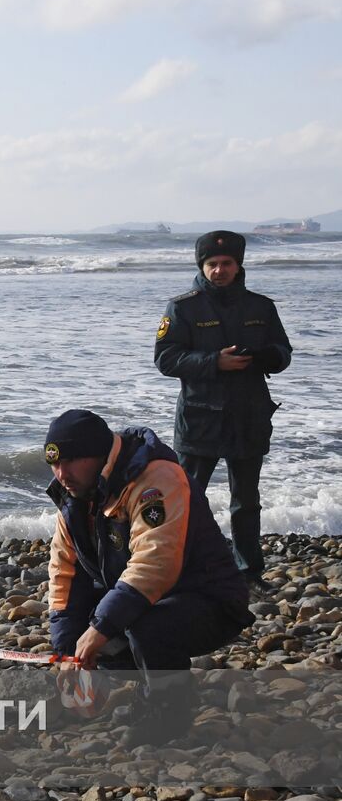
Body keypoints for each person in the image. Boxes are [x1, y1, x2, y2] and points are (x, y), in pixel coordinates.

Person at [42, 409, 254, 739]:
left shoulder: (155, 478)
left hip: (209, 600)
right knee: (93, 631)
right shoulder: (75, 495)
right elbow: (64, 573)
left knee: (141, 627)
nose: (61, 473)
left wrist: (100, 628)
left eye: (70, 461)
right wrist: (69, 650)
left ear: (99, 455)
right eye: (54, 464)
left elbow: (155, 564)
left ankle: (168, 715)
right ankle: (152, 684)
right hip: (146, 599)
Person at [154, 230, 292, 584]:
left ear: (238, 265)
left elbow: (283, 353)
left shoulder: (261, 306)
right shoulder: (183, 306)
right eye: (212, 264)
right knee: (187, 500)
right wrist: (214, 362)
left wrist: (264, 357)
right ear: (202, 265)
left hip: (249, 416)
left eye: (226, 263)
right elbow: (166, 359)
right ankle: (181, 570)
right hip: (200, 419)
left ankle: (249, 571)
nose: (219, 270)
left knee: (246, 501)